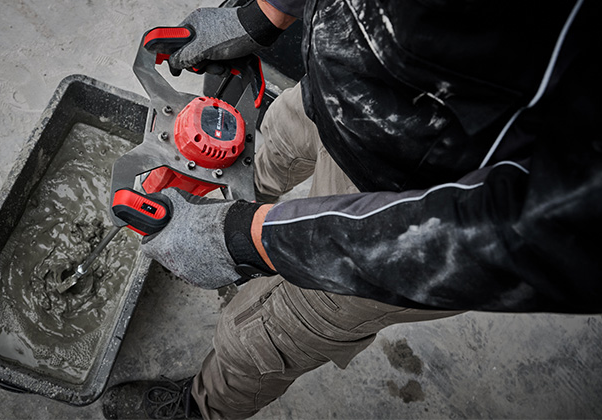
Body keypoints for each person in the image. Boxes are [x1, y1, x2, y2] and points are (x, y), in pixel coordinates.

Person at [102, 0, 601, 418]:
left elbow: (544, 229)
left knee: (260, 335)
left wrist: (248, 239)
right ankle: (209, 239)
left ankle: (201, 407)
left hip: (414, 223)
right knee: (266, 146)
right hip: (335, 87)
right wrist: (264, 14)